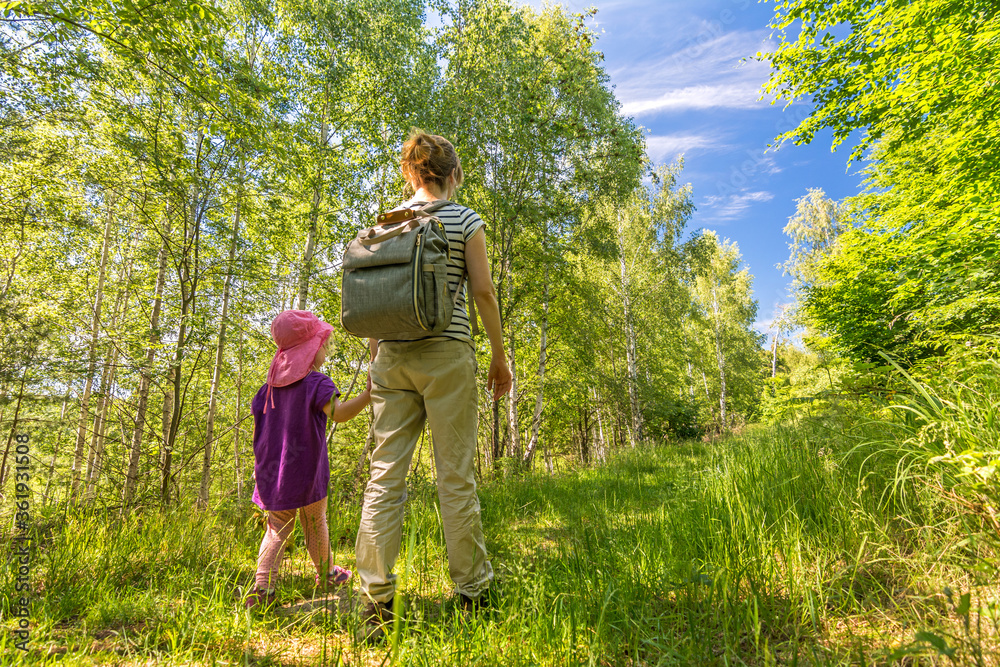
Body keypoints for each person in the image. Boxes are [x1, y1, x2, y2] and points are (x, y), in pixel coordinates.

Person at [355, 131, 513, 638]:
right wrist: (499, 355)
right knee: (455, 477)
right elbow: (483, 292)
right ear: (453, 175)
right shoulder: (465, 219)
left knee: (385, 477)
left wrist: (377, 356)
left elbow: (378, 297)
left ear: (410, 173)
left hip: (391, 358)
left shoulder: (386, 222)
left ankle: (376, 599)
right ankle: (472, 592)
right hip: (447, 355)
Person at [246, 310, 372, 610]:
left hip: (270, 472)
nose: (326, 353)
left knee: (277, 527)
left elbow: (259, 433)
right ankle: (327, 574)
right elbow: (339, 414)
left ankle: (262, 588)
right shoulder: (317, 384)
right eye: (323, 346)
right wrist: (369, 394)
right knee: (315, 522)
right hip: (306, 471)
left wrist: (258, 470)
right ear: (310, 350)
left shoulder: (266, 390)